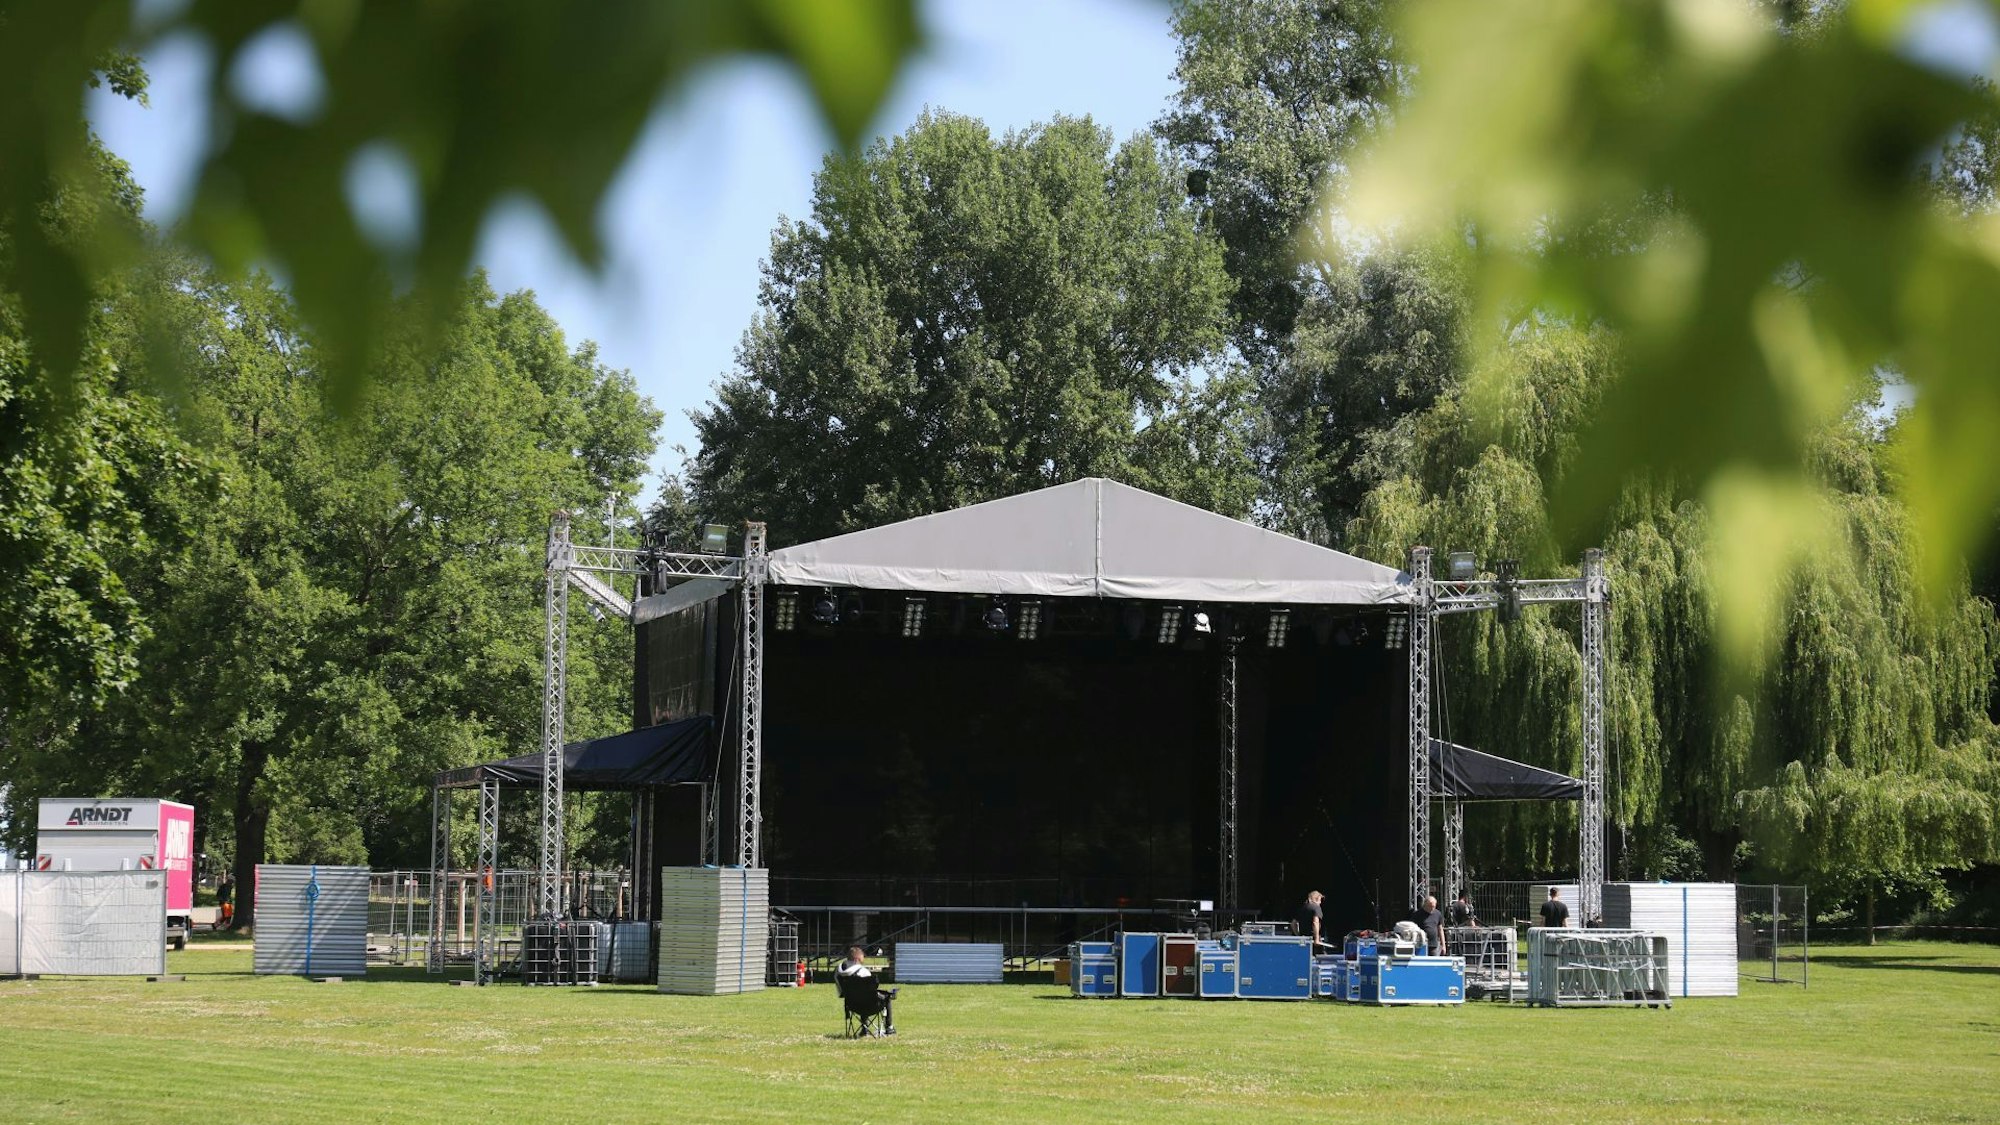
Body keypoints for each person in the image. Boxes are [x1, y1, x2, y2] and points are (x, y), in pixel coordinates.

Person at [838, 945, 897, 1035]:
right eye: (862, 958)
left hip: (852, 1006)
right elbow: (871, 990)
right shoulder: (863, 971)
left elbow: (841, 993)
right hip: (870, 1006)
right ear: (857, 959)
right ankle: (889, 1027)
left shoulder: (840, 973)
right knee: (886, 997)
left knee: (861, 996)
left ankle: (864, 1029)